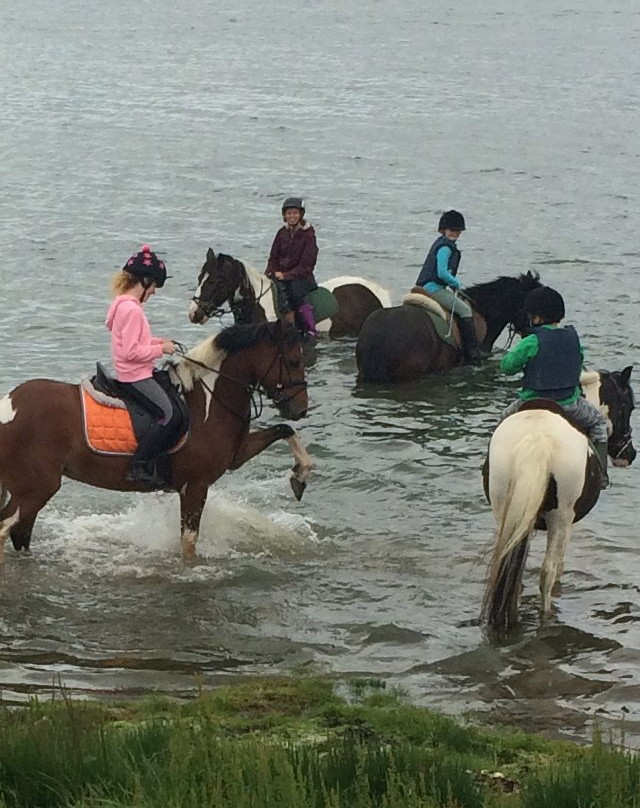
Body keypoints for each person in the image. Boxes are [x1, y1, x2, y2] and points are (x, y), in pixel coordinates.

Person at [500, 286, 610, 488]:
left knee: (503, 420)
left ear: (537, 318)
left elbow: (506, 367)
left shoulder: (531, 340)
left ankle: (491, 467)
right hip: (569, 403)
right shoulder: (573, 339)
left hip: (531, 402)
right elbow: (578, 364)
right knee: (598, 424)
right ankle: (601, 475)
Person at [105, 244, 177, 487]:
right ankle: (139, 466)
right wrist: (161, 350)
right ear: (145, 281)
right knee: (167, 414)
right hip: (134, 376)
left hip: (134, 371)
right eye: (154, 286)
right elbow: (131, 351)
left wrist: (159, 341)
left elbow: (135, 341)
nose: (154, 293)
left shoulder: (122, 304)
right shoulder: (133, 311)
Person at [415, 209, 488, 361]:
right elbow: (441, 273)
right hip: (434, 289)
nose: (454, 233)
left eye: (457, 231)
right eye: (451, 230)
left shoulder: (439, 242)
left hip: (424, 286)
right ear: (444, 229)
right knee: (465, 310)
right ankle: (473, 353)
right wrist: (456, 283)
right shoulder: (446, 247)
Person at [266, 196, 319, 336]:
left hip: (301, 277)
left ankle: (309, 329)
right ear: (285, 215)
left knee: (296, 293)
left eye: (295, 213)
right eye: (289, 213)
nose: (292, 216)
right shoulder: (281, 233)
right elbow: (273, 256)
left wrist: (286, 275)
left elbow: (307, 265)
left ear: (300, 214)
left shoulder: (309, 235)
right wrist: (270, 271)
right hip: (280, 275)